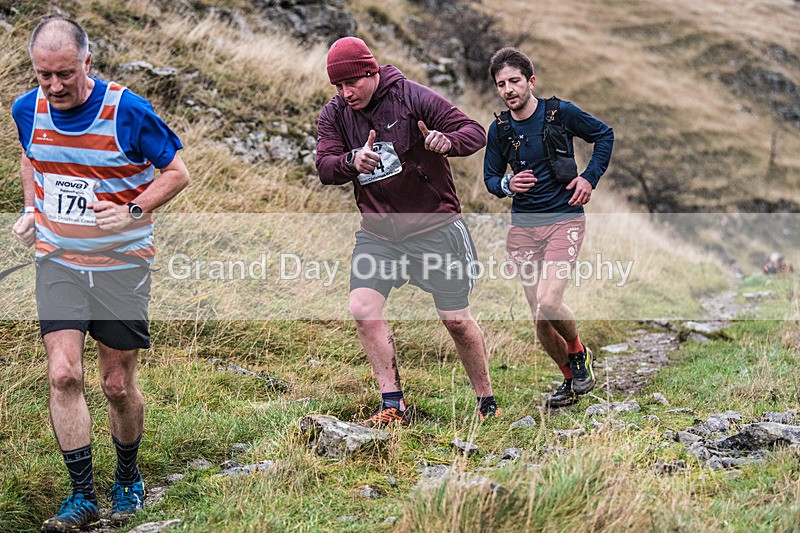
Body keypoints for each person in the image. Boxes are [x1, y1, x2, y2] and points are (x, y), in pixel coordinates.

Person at [10, 18, 189, 532]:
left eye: (65, 74)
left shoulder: (127, 111)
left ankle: (128, 480)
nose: (54, 86)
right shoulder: (27, 109)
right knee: (63, 373)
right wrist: (32, 209)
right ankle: (82, 496)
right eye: (44, 74)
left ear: (87, 63)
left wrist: (132, 210)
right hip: (58, 261)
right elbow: (31, 157)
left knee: (115, 384)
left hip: (121, 267)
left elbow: (177, 172)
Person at [316, 36, 497, 425]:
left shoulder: (411, 97)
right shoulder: (334, 114)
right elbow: (325, 167)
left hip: (435, 227)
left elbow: (474, 131)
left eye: (352, 83)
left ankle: (486, 401)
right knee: (363, 309)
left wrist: (447, 141)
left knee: (456, 320)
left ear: (372, 72)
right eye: (338, 86)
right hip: (379, 233)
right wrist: (352, 161)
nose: (346, 93)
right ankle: (393, 405)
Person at [483, 47, 614, 408]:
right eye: (501, 84)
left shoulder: (560, 113)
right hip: (523, 227)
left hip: (563, 218)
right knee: (540, 319)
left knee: (549, 301)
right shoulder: (500, 130)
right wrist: (507, 184)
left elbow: (604, 135)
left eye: (514, 81)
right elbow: (490, 178)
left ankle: (579, 352)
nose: (508, 90)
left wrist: (589, 178)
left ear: (531, 81)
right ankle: (570, 379)